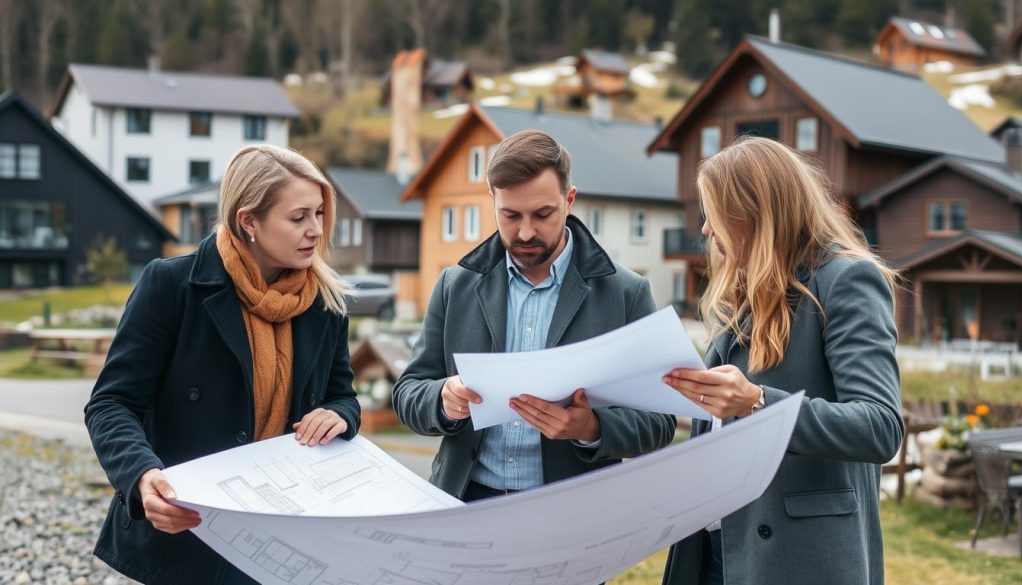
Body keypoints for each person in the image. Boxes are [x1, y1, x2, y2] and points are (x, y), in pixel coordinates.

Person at [84, 145, 361, 584]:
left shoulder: (326, 303)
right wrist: (141, 475)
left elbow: (341, 395)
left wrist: (339, 415)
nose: (316, 231)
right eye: (298, 217)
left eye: (320, 214)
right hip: (190, 526)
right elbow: (111, 403)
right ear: (249, 220)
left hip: (284, 530)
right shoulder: (172, 285)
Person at [660, 137, 903, 585]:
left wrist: (757, 402)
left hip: (799, 560)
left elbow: (879, 427)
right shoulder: (743, 293)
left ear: (754, 213)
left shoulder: (847, 280)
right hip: (717, 554)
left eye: (714, 214)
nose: (708, 231)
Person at [393, 130, 676, 503]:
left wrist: (592, 426)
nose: (526, 231)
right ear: (492, 200)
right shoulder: (454, 285)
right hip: (464, 503)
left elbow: (660, 421)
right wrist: (443, 399)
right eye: (510, 215)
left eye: (543, 214)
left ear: (569, 200)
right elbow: (407, 393)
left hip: (572, 514)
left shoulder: (626, 293)